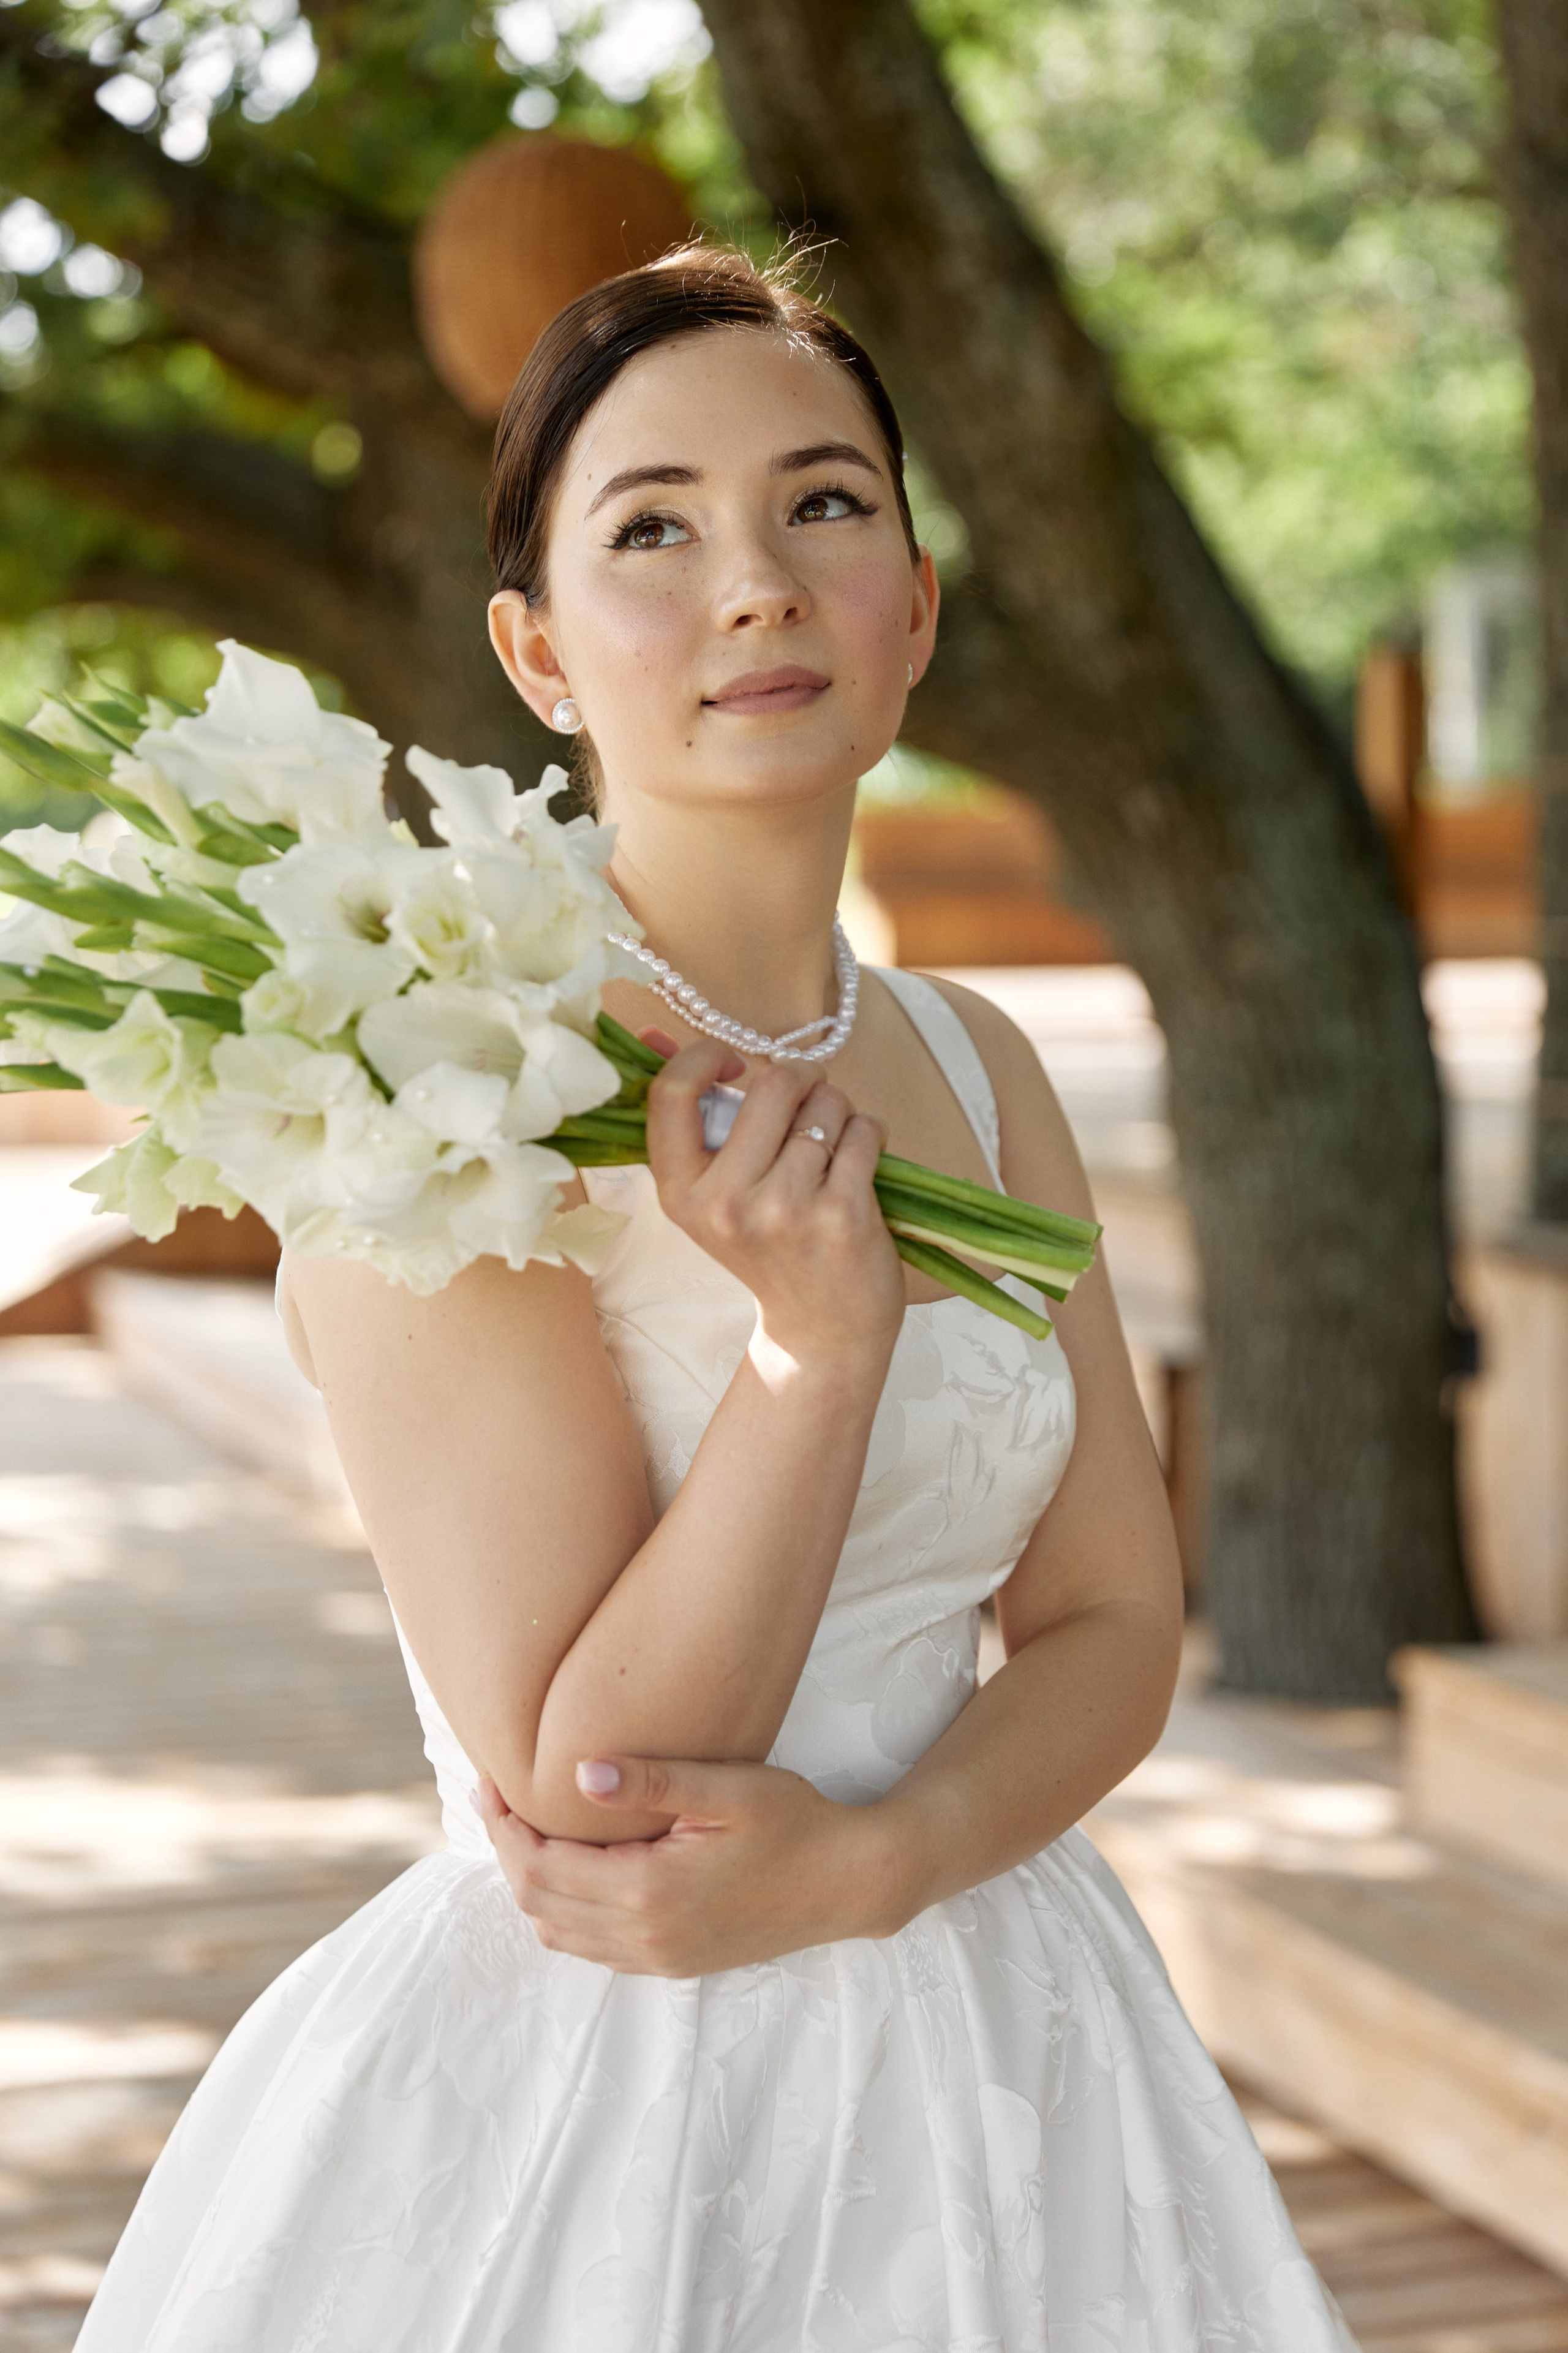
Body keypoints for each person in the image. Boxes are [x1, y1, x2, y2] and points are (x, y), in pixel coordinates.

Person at [75, 243, 1356, 2351]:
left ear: (918, 610)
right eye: (652, 528)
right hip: (612, 2097)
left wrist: (893, 1855)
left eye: (825, 504)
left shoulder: (977, 1068)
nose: (754, 582)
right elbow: (603, 1791)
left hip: (1012, 2040)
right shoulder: (435, 1078)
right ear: (540, 650)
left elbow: (1119, 1622)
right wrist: (815, 1351)